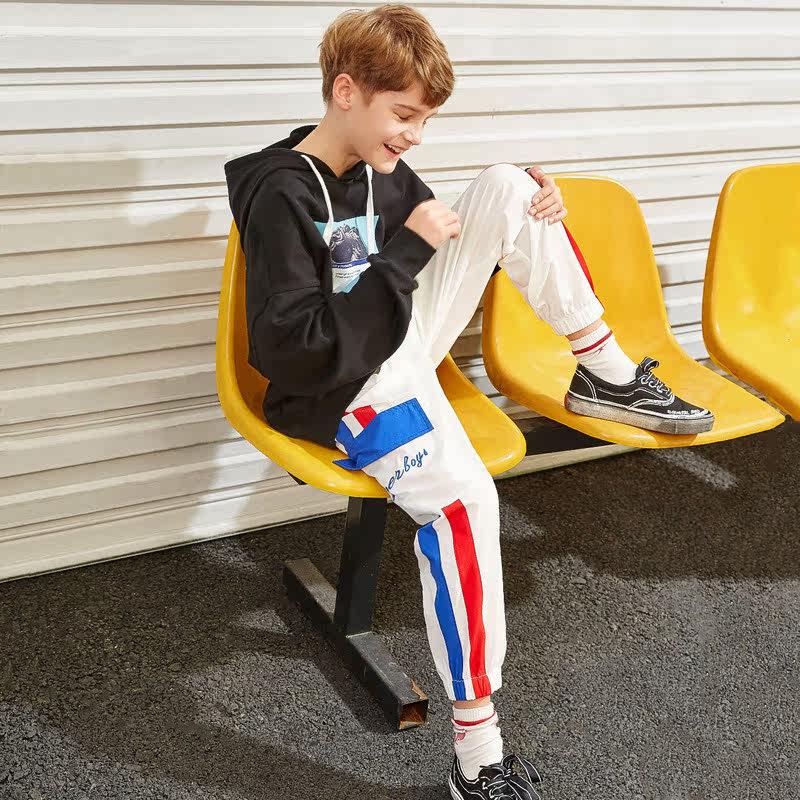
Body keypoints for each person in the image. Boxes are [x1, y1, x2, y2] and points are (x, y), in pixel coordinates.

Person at [224, 5, 713, 798]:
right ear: (346, 92)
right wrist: (409, 251)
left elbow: (435, 239)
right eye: (404, 115)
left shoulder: (375, 163)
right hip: (343, 382)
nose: (415, 136)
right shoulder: (282, 193)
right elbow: (291, 348)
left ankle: (604, 370)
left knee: (508, 184)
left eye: (425, 119)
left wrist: (533, 208)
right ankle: (477, 756)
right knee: (464, 504)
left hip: (397, 339)